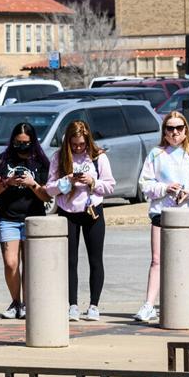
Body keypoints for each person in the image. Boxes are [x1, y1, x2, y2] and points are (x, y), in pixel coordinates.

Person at [135, 111, 189, 322]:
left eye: (179, 128)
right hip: (161, 213)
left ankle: (182, 303)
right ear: (164, 131)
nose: (174, 132)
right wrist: (165, 188)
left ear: (186, 130)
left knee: (183, 261)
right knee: (157, 260)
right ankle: (149, 304)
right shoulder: (156, 154)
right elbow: (145, 184)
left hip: (186, 216)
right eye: (170, 128)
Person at [45, 120, 115, 321]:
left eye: (81, 144)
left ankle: (94, 305)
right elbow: (49, 189)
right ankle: (72, 305)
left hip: (92, 211)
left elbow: (110, 186)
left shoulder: (97, 157)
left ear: (87, 141)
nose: (77, 148)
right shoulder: (59, 157)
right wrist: (66, 181)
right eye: (74, 144)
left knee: (95, 259)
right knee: (70, 261)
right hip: (68, 212)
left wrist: (93, 182)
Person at [0, 123, 51, 319]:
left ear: (33, 142)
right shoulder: (3, 160)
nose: (21, 146)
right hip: (9, 218)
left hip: (34, 218)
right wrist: (7, 182)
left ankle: (29, 304)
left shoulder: (41, 161)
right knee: (11, 262)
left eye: (25, 143)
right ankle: (16, 302)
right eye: (17, 142)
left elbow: (46, 196)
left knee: (31, 265)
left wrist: (32, 184)